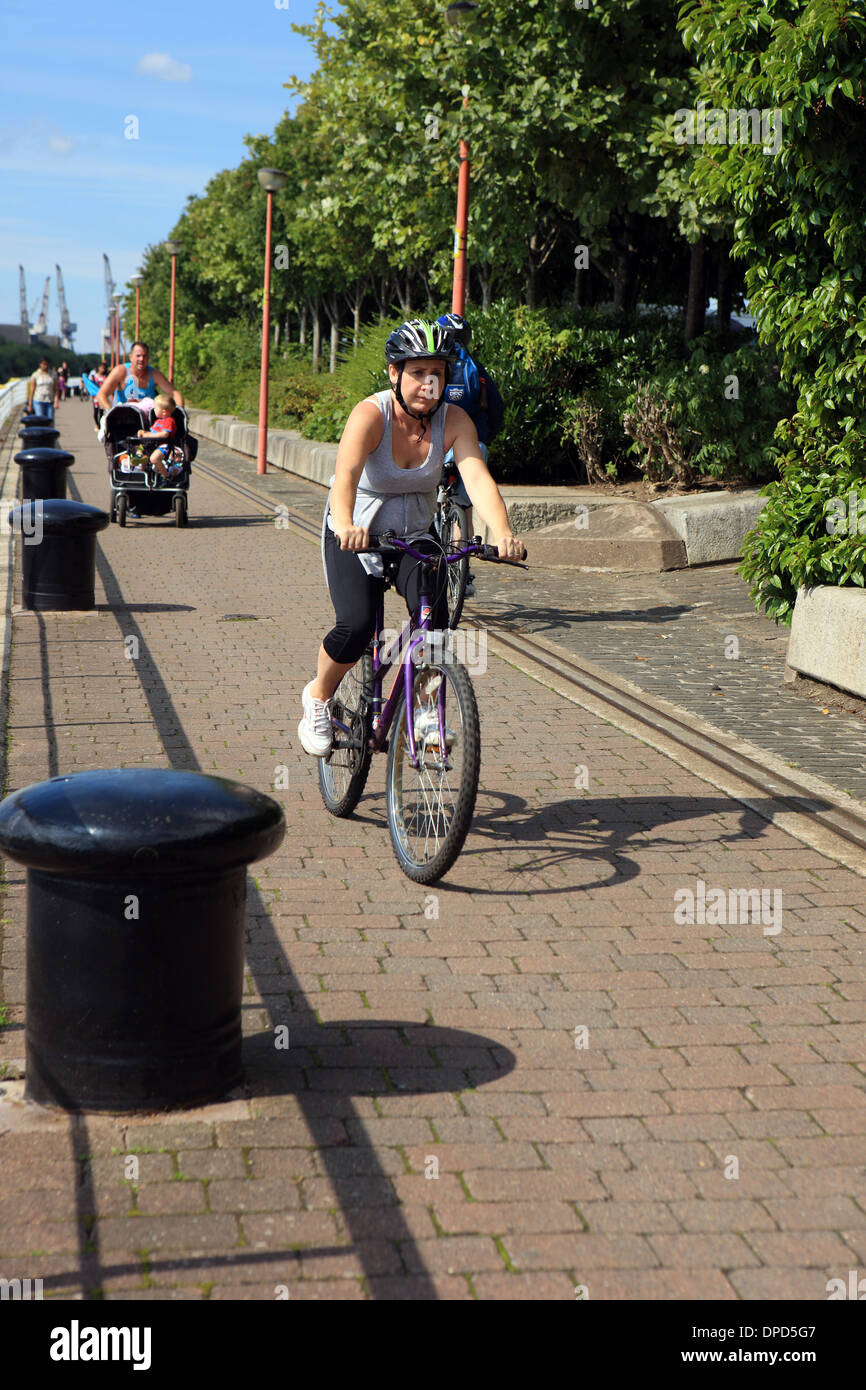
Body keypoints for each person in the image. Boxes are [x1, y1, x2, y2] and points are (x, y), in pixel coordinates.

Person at [297, 318, 524, 757]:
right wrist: (345, 524)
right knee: (357, 626)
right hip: (356, 536)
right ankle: (319, 697)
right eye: (418, 373)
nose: (429, 384)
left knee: (433, 623)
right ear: (394, 373)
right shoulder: (371, 414)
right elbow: (345, 475)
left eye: (437, 373)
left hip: (414, 537)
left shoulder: (454, 420)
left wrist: (504, 532)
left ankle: (423, 711)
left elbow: (476, 476)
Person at [436, 312, 506, 597]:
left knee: (428, 499)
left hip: (438, 444)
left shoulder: (433, 369)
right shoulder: (477, 369)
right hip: (474, 445)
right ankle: (461, 574)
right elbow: (498, 411)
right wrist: (485, 437)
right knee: (465, 504)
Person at [95, 341, 183, 420]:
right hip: (123, 420)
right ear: (131, 357)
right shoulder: (121, 371)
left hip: (147, 421)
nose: (141, 359)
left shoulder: (155, 374)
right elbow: (101, 394)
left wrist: (179, 413)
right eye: (138, 356)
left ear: (148, 358)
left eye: (144, 356)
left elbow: (174, 393)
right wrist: (110, 412)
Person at [136, 395, 183, 479]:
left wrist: (149, 435)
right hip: (153, 445)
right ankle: (142, 473)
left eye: (155, 408)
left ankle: (166, 475)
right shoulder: (158, 421)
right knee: (141, 453)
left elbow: (165, 434)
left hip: (163, 445)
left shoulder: (169, 421)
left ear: (164, 412)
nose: (153, 410)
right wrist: (143, 432)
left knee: (154, 459)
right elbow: (152, 432)